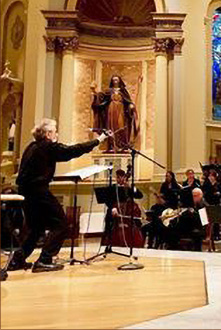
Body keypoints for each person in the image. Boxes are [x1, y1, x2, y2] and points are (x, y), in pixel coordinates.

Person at [10, 118, 107, 272]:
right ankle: (44, 260)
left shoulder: (32, 146)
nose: (57, 134)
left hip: (26, 191)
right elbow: (71, 151)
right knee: (60, 224)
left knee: (35, 227)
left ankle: (17, 261)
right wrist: (97, 141)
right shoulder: (47, 146)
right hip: (38, 190)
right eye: (55, 131)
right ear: (48, 134)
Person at [91, 75, 139, 152]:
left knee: (121, 126)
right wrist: (94, 91)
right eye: (114, 80)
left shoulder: (123, 91)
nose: (115, 81)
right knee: (111, 126)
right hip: (111, 110)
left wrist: (130, 105)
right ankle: (111, 146)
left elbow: (128, 100)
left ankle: (122, 146)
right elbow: (101, 97)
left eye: (116, 80)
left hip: (121, 110)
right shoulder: (109, 91)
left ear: (119, 81)